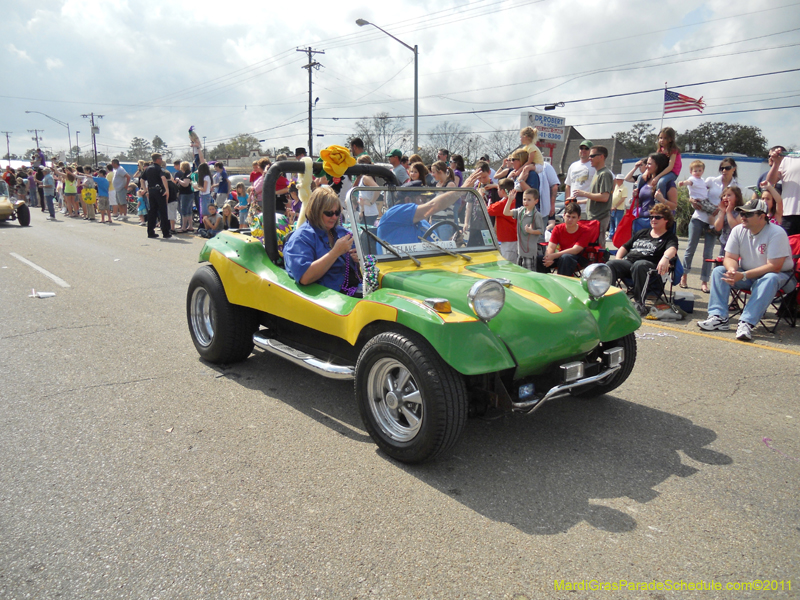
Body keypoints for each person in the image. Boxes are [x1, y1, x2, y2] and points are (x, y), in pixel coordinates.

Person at [698, 198, 795, 341]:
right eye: (741, 213)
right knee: (720, 272)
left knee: (770, 278)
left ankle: (746, 322)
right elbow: (729, 257)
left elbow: (775, 266)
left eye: (748, 214)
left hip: (782, 278)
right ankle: (718, 317)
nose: (742, 217)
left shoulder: (777, 233)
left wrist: (743, 275)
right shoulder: (738, 230)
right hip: (749, 276)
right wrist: (732, 270)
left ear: (762, 216)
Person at [284, 187, 361, 294]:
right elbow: (304, 277)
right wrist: (335, 252)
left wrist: (358, 260)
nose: (334, 217)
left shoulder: (343, 233)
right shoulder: (301, 238)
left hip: (353, 290)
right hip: (324, 298)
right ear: (316, 212)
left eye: (337, 212)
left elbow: (363, 266)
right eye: (329, 213)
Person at [606, 203, 679, 315]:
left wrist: (665, 258)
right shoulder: (642, 233)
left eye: (657, 217)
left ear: (666, 220)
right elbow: (624, 247)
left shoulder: (669, 237)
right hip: (630, 264)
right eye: (651, 217)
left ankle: (639, 304)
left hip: (650, 269)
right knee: (611, 264)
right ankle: (608, 299)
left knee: (639, 264)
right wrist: (618, 258)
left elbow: (672, 249)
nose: (653, 219)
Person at [681, 157, 738, 292]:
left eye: (727, 167)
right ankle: (684, 276)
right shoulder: (711, 180)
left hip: (715, 222)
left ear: (733, 169)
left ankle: (704, 281)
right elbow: (696, 189)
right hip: (699, 217)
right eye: (722, 168)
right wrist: (691, 200)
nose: (724, 170)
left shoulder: (736, 186)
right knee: (691, 248)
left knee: (708, 252)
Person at [624, 152, 678, 234]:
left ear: (658, 165)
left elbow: (674, 206)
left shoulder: (668, 183)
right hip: (640, 223)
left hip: (658, 226)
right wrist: (635, 196)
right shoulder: (644, 180)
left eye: (649, 164)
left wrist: (662, 200)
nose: (646, 166)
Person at [573, 145, 613, 246]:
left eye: (592, 156)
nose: (589, 158)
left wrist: (584, 193)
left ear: (602, 157)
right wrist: (579, 201)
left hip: (599, 217)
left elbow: (604, 197)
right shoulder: (597, 173)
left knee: (598, 247)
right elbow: (596, 197)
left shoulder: (604, 174)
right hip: (593, 217)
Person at [540, 202, 593, 275]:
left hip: (578, 257)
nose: (570, 219)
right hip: (561, 256)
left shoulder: (585, 230)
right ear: (564, 216)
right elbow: (551, 247)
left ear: (579, 218)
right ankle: (544, 282)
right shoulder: (558, 228)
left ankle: (562, 284)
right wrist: (548, 258)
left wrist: (554, 256)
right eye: (568, 216)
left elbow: (575, 250)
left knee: (566, 258)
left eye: (573, 217)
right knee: (540, 259)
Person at [504, 187, 543, 271]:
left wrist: (531, 231)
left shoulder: (536, 215)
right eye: (524, 199)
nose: (526, 202)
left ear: (536, 201)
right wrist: (510, 200)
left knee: (529, 275)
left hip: (529, 253)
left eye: (529, 200)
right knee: (520, 274)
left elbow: (541, 231)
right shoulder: (520, 211)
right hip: (520, 252)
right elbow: (506, 212)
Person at [766, 146, 800, 236]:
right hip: (790, 215)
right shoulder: (790, 158)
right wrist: (776, 163)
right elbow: (770, 181)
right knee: (788, 248)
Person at [144, 152, 170, 239]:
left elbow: (142, 179)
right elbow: (163, 178)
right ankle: (165, 232)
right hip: (159, 191)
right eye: (161, 159)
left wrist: (145, 190)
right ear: (158, 159)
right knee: (163, 211)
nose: (162, 160)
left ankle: (150, 232)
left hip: (151, 191)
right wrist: (167, 190)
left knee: (152, 212)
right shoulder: (159, 169)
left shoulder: (148, 169)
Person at [565, 140, 596, 211]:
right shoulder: (573, 165)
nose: (583, 150)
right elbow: (568, 185)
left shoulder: (594, 165)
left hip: (588, 208)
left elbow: (613, 179)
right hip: (573, 208)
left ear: (591, 151)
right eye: (581, 148)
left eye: (586, 148)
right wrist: (567, 203)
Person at [713, 186, 743, 256]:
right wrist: (723, 212)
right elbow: (717, 227)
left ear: (737, 197)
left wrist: (729, 212)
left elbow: (735, 227)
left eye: (729, 195)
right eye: (724, 196)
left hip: (736, 245)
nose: (725, 197)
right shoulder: (723, 211)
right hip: (724, 244)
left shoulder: (740, 212)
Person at [651, 127, 681, 197]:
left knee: (661, 182)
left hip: (672, 172)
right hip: (663, 171)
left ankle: (659, 202)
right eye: (660, 138)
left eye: (665, 138)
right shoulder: (660, 150)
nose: (662, 140)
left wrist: (657, 177)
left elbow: (670, 167)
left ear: (670, 139)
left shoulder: (673, 150)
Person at [354, 155, 380, 226]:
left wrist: (371, 202)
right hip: (365, 212)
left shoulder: (366, 177)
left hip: (369, 213)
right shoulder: (363, 177)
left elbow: (378, 188)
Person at [176, 161, 194, 233]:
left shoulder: (187, 174)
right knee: (189, 210)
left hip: (185, 194)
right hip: (190, 193)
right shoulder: (190, 173)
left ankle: (184, 227)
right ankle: (190, 226)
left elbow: (185, 184)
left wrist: (178, 180)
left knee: (184, 210)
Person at [609, 173, 627, 238]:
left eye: (618, 179)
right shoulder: (615, 187)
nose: (617, 180)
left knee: (617, 223)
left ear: (622, 180)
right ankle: (611, 236)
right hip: (612, 208)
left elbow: (623, 198)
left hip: (619, 209)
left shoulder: (624, 188)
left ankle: (617, 236)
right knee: (612, 222)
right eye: (617, 179)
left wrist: (615, 206)